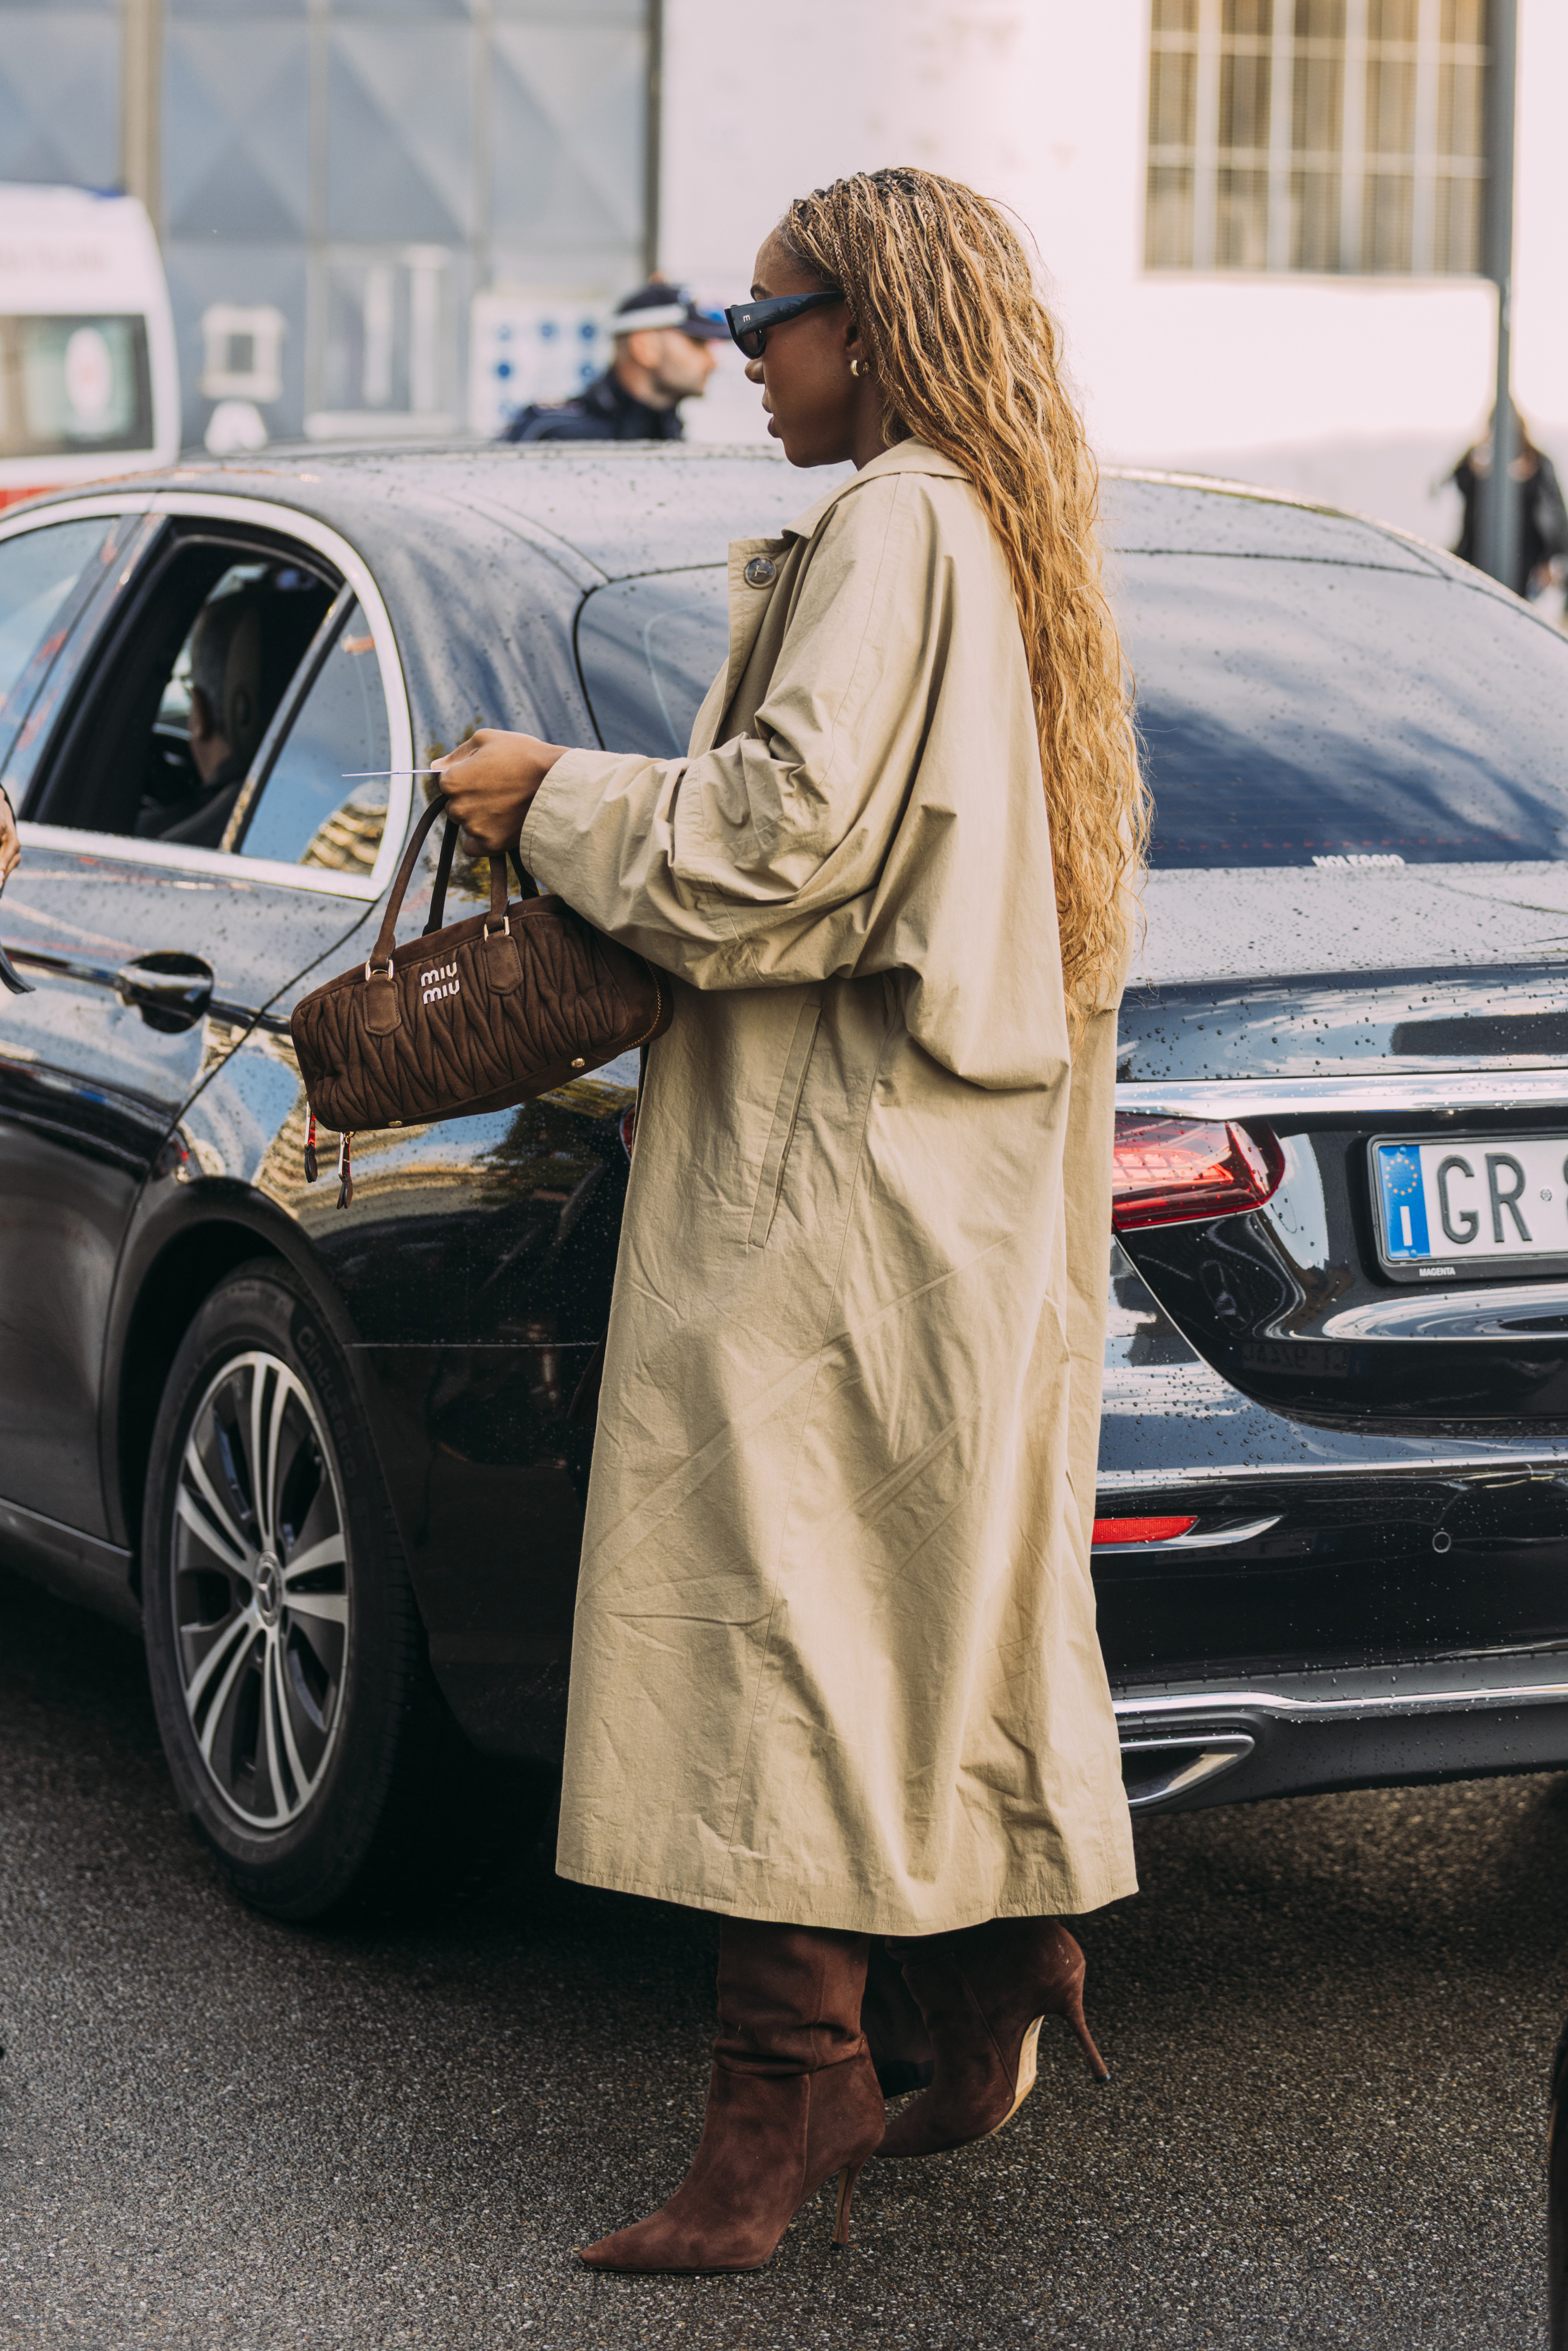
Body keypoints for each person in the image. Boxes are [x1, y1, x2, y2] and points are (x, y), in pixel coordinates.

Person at [439, 165, 1146, 2274]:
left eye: (768, 325)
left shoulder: (893, 524)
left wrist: (546, 790)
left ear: (877, 319)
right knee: (912, 1604)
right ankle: (998, 1963)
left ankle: (788, 2095)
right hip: (941, 1170)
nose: (740, 365)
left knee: (776, 1627)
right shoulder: (992, 524)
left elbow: (773, 846)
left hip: (833, 1181)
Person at [500, 281, 728, 444]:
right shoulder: (550, 430)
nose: (713, 363)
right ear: (645, 347)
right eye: (697, 343)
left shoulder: (672, 433)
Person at [1450, 405, 1568, 600]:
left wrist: (1550, 558)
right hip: (1478, 549)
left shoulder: (1537, 461)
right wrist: (1476, 471)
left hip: (1526, 556)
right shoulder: (1478, 455)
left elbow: (1556, 515)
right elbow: (1461, 483)